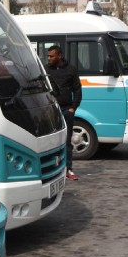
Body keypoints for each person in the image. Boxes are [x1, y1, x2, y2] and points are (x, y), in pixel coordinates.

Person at [47, 45, 82, 181]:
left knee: (67, 141)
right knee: (51, 141)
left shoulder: (71, 69)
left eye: (51, 56)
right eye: (48, 56)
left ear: (59, 56)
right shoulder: (46, 69)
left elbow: (77, 89)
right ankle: (52, 169)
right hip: (51, 110)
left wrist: (74, 107)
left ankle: (68, 169)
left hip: (67, 109)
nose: (49, 58)